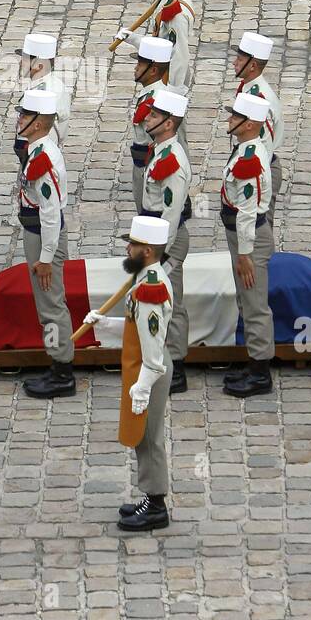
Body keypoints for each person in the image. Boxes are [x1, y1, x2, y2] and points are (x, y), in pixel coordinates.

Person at [83, 215, 174, 533]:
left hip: (149, 369)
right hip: (141, 364)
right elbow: (137, 329)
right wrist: (105, 324)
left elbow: (153, 345)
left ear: (147, 251)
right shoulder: (146, 278)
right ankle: (151, 497)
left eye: (133, 244)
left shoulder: (151, 288)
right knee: (142, 437)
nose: (128, 248)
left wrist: (144, 386)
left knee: (148, 438)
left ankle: (157, 504)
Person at [14, 89, 74, 399]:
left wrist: (47, 257)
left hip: (43, 238)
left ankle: (61, 369)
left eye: (24, 115)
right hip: (36, 233)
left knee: (50, 305)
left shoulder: (43, 159)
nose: (19, 120)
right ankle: (56, 363)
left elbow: (51, 214)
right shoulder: (36, 151)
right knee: (45, 303)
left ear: (38, 123)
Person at [219, 93, 275, 398]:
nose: (229, 119)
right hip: (241, 235)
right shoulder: (245, 149)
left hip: (248, 237)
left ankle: (260, 372)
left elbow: (248, 210)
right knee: (246, 299)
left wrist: (244, 254)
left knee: (254, 304)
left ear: (249, 124)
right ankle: (253, 358)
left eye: (235, 116)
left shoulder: (250, 159)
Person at [138, 88, 191, 396]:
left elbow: (171, 211)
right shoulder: (160, 150)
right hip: (153, 236)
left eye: (155, 115)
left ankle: (177, 365)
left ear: (169, 123)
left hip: (165, 239)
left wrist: (160, 250)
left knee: (173, 302)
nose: (148, 118)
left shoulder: (172, 160)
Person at [114, 0, 196, 89]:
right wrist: (134, 39)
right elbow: (161, 42)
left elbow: (179, 55)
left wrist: (172, 91)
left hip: (167, 80)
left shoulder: (178, 11)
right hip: (158, 77)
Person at [231, 31, 284, 228]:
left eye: (239, 59)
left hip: (261, 169)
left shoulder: (260, 97)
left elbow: (262, 144)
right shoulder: (248, 89)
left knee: (259, 230)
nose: (234, 63)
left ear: (252, 65)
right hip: (252, 163)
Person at [128, 36, 173, 207]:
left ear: (153, 70)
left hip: (150, 162)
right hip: (141, 161)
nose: (135, 68)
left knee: (151, 208)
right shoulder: (148, 94)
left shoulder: (158, 99)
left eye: (140, 65)